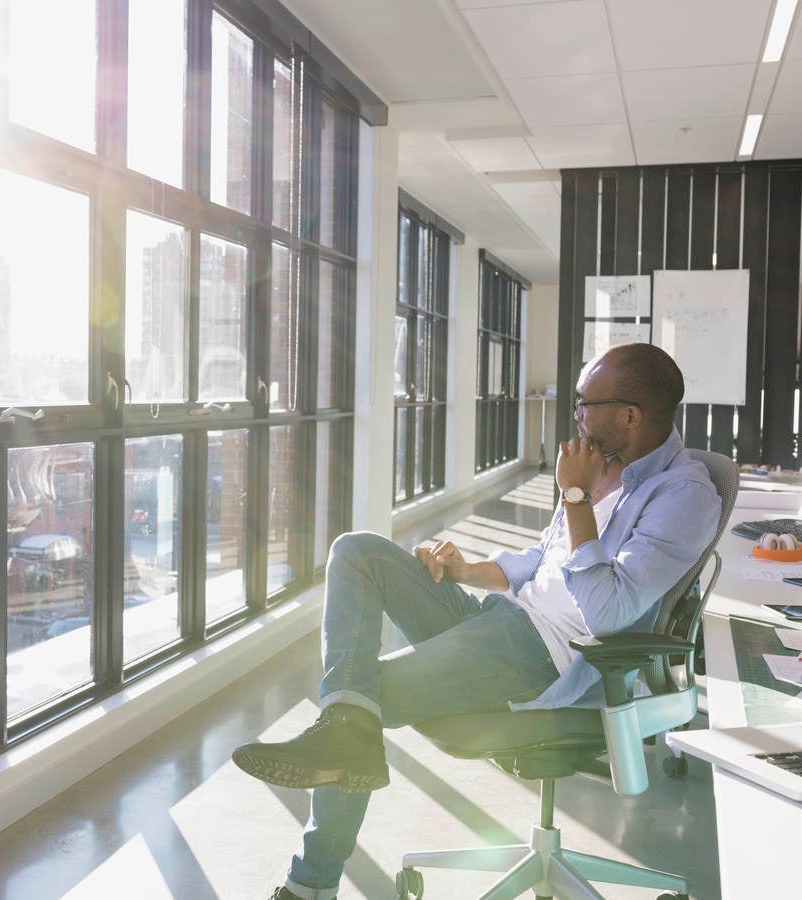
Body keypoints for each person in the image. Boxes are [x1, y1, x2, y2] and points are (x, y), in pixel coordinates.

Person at [231, 342, 721, 900]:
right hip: (501, 619)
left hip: (547, 657)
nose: (577, 414)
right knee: (357, 551)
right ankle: (342, 739)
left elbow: (607, 611)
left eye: (585, 403)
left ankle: (309, 883)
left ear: (630, 414)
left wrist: (577, 496)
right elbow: (539, 564)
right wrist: (466, 570)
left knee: (357, 700)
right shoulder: (596, 464)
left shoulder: (682, 494)